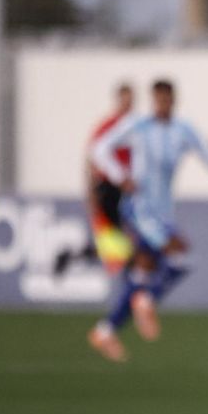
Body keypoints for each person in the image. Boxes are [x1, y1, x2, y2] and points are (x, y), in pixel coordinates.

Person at [86, 78, 208, 361]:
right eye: (158, 99)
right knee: (181, 255)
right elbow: (99, 148)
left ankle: (105, 330)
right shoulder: (138, 125)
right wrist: (119, 176)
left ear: (174, 100)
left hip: (163, 212)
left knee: (143, 272)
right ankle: (146, 300)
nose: (163, 104)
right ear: (153, 100)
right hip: (138, 207)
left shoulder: (183, 129)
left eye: (167, 99)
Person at [54, 82, 136, 277]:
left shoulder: (135, 128)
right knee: (120, 250)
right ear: (118, 100)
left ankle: (72, 255)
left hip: (128, 192)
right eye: (125, 100)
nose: (128, 104)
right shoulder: (107, 127)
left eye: (131, 100)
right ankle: (73, 255)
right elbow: (91, 159)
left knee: (122, 250)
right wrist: (90, 192)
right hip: (108, 191)